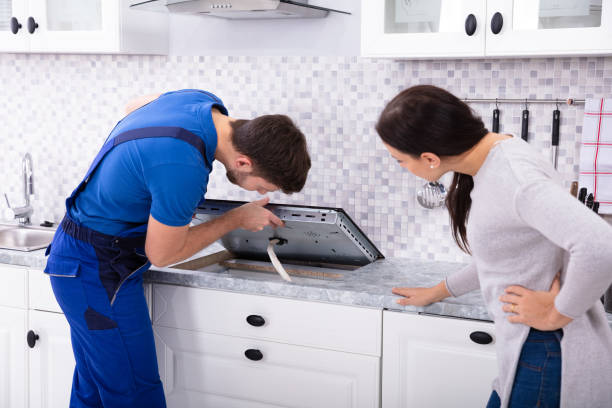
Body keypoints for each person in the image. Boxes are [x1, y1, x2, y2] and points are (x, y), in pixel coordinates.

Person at [44, 89, 311, 408]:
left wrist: (143, 179)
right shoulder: (183, 166)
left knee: (96, 390)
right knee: (135, 393)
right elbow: (163, 254)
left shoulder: (201, 102)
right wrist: (235, 218)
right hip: (96, 272)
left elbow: (133, 108)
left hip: (80, 261)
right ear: (243, 161)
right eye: (263, 187)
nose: (260, 192)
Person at [376, 85, 612, 408]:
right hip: (527, 346)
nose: (400, 166)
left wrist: (558, 312)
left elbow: (601, 246)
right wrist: (439, 290)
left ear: (430, 159)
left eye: (399, 160)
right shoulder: (496, 157)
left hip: (541, 347)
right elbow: (503, 257)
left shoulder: (511, 177)